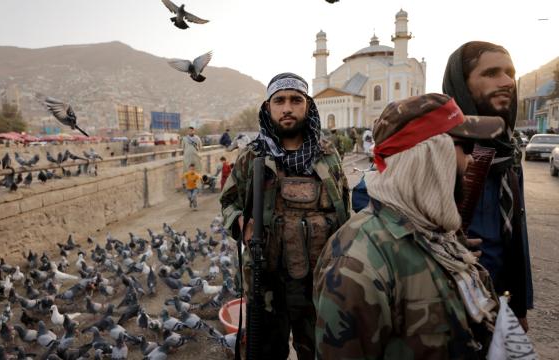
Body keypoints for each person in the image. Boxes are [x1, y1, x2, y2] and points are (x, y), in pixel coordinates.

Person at [314, 93, 506, 359]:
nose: (472, 160)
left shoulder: (436, 235)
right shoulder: (357, 264)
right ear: (428, 158)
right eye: (467, 147)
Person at [220, 72, 350, 360]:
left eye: (295, 100)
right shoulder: (251, 157)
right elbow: (228, 202)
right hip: (267, 283)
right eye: (279, 101)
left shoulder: (327, 157)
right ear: (268, 108)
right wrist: (241, 222)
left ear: (308, 105)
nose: (287, 108)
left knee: (318, 351)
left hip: (319, 282)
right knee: (266, 351)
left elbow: (345, 211)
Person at [443, 41, 533, 330]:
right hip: (444, 305)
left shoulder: (507, 151)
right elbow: (372, 200)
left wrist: (518, 304)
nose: (507, 82)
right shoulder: (434, 147)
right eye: (491, 73)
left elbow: (516, 235)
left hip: (497, 300)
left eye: (510, 72)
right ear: (462, 83)